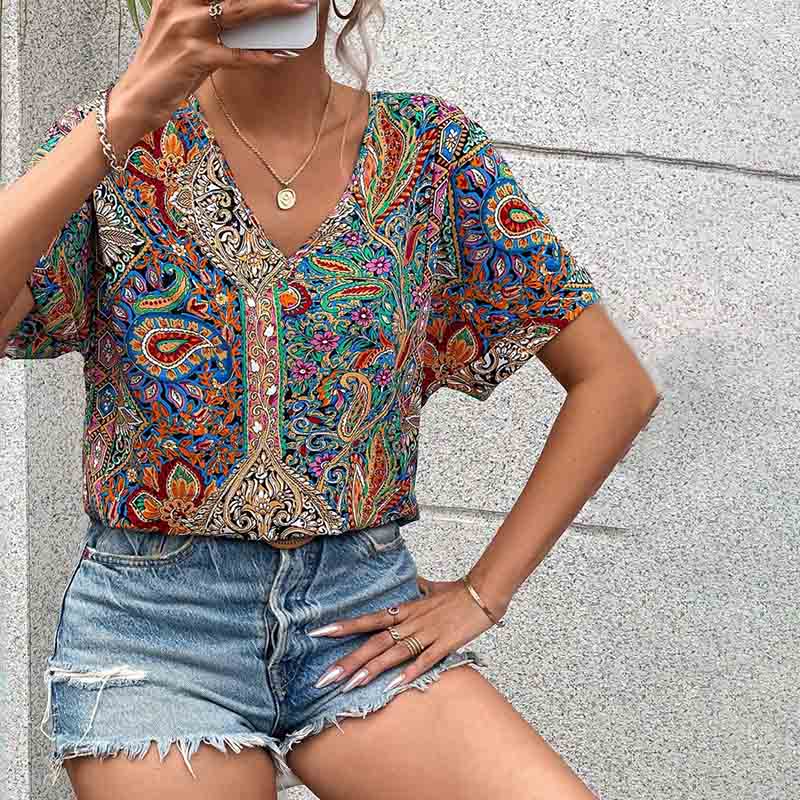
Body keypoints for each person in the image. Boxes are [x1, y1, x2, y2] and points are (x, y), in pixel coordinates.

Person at [0, 0, 661, 797]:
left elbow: (616, 383)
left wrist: (482, 594)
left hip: (359, 615)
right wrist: (127, 108)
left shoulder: (430, 153)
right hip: (155, 629)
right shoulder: (116, 144)